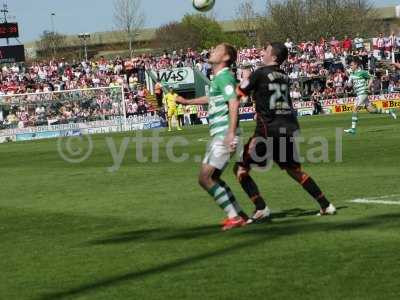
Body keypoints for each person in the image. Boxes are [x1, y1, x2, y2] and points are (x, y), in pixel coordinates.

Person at [235, 42, 336, 224]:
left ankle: (261, 208)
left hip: (267, 130)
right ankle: (326, 205)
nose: (261, 52)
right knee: (294, 171)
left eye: (265, 50)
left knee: (240, 168)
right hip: (287, 128)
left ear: (273, 56)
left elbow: (239, 93)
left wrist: (244, 79)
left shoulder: (260, 73)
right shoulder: (284, 76)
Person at [176, 43, 248, 231]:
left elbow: (233, 103)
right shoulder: (219, 78)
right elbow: (213, 99)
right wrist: (187, 102)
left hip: (224, 133)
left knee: (205, 177)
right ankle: (239, 214)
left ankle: (234, 216)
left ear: (225, 58)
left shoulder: (224, 77)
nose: (212, 51)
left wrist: (231, 134)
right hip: (220, 133)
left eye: (216, 49)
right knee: (213, 177)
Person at [344, 58, 396, 134]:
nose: (350, 66)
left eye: (351, 65)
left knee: (355, 108)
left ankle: (353, 129)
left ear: (356, 65)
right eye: (350, 65)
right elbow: (349, 85)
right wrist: (347, 82)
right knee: (371, 110)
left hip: (363, 93)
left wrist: (368, 86)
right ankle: (389, 111)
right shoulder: (352, 74)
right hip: (358, 93)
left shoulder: (362, 72)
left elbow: (371, 77)